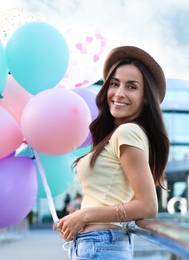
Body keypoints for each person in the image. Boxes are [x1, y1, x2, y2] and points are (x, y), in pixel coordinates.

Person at [54, 46, 170, 259]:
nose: (119, 93)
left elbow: (147, 205)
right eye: (114, 84)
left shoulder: (127, 132)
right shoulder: (116, 134)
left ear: (146, 97)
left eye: (132, 87)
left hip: (101, 246)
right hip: (96, 245)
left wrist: (85, 214)